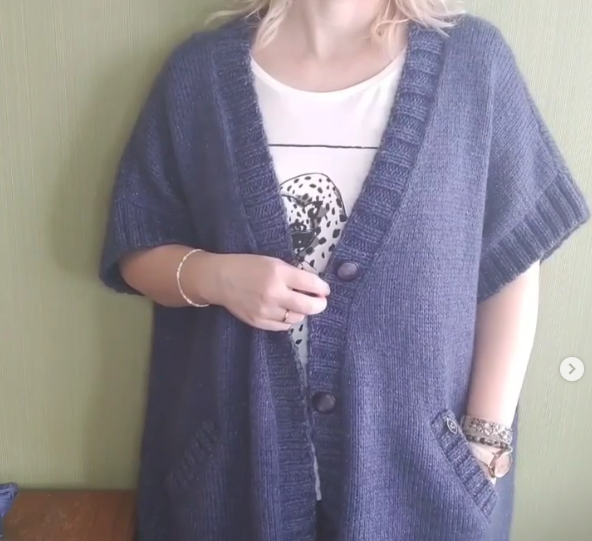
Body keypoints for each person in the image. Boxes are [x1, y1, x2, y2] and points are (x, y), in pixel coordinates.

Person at [99, 1, 590, 540]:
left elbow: (514, 259)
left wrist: (484, 443)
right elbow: (137, 246)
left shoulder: (472, 64)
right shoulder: (200, 75)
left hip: (423, 481)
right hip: (232, 474)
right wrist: (217, 278)